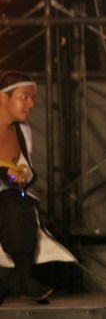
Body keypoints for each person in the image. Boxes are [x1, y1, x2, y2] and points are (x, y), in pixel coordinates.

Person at [0, 70, 54, 303]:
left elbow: (26, 168)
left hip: (7, 203)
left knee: (17, 203)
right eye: (24, 97)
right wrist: (4, 172)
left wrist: (22, 174)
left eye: (33, 98)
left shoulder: (23, 130)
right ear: (3, 97)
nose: (31, 104)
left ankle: (24, 276)